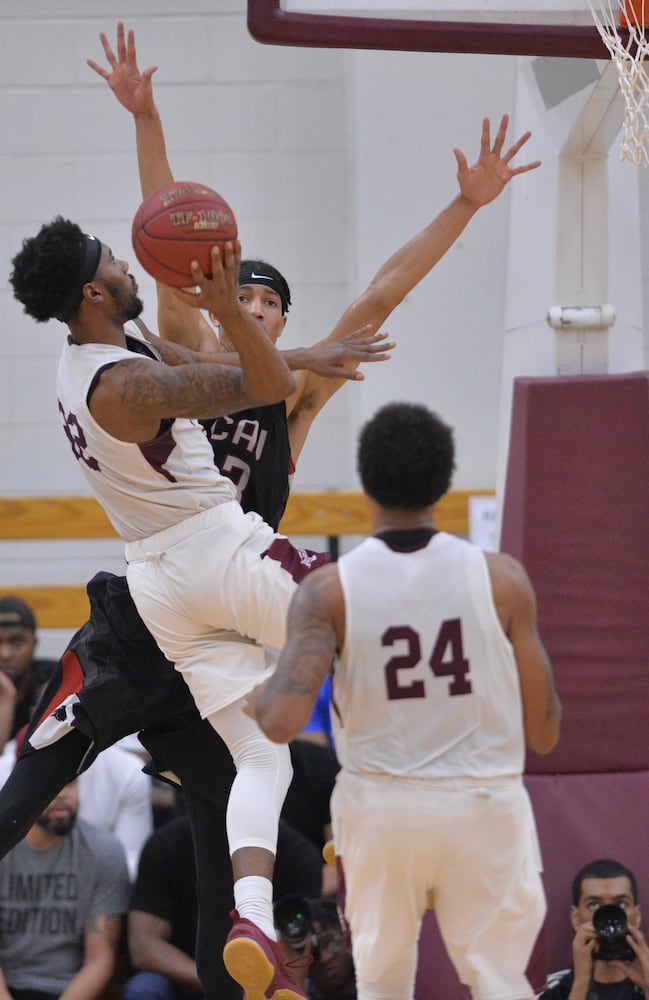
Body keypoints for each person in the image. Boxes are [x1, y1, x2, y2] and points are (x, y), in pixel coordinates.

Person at [246, 400, 563, 1000]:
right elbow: (545, 732)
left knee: (384, 986)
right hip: (484, 804)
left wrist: (258, 701)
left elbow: (283, 721)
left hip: (383, 811)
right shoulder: (503, 580)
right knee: (501, 983)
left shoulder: (328, 590)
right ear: (444, 483)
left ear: (366, 484)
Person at [122, 814, 324, 1000]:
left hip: (262, 978)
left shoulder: (299, 855)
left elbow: (299, 947)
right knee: (144, 989)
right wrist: (221, 985)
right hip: (185, 975)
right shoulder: (167, 844)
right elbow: (144, 947)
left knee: (298, 986)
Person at [0, 778, 130, 1000]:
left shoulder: (104, 851)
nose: (61, 794)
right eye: (50, 783)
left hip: (70, 991)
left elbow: (99, 959)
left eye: (69, 783)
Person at [537, 858, 649, 999]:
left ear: (637, 916)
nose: (608, 915)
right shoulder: (552, 989)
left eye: (620, 904)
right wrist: (581, 984)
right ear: (576, 918)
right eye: (594, 905)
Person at [0, 596, 56, 753]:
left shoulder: (51, 679)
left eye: (17, 642)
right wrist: (6, 694)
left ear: (34, 644)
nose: (5, 654)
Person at [275, 895, 356, 1000]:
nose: (324, 959)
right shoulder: (298, 989)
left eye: (330, 942)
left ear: (349, 937)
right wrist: (294, 984)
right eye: (314, 951)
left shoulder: (380, 986)